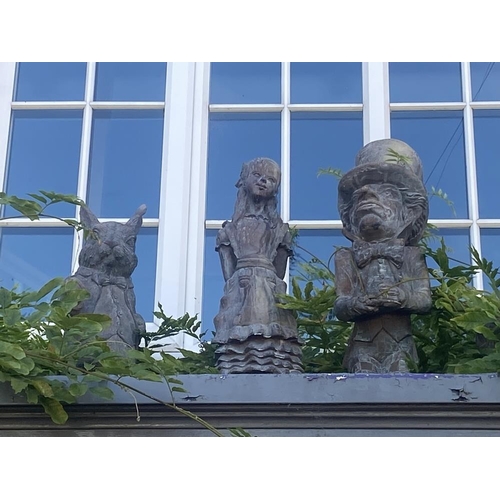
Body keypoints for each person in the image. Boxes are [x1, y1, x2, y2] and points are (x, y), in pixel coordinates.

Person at [334, 139, 432, 373]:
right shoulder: (345, 257)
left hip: (401, 344)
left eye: (386, 192)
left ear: (409, 213)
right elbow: (341, 303)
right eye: (358, 197)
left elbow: (424, 299)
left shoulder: (412, 255)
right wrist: (356, 304)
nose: (367, 195)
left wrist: (403, 298)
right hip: (362, 345)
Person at [213, 157, 303, 373]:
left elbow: (279, 271)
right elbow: (229, 274)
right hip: (240, 289)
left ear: (275, 189)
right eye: (257, 175)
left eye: (270, 179)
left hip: (270, 287)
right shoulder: (228, 231)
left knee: (273, 345)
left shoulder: (280, 230)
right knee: (239, 346)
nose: (263, 181)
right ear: (243, 180)